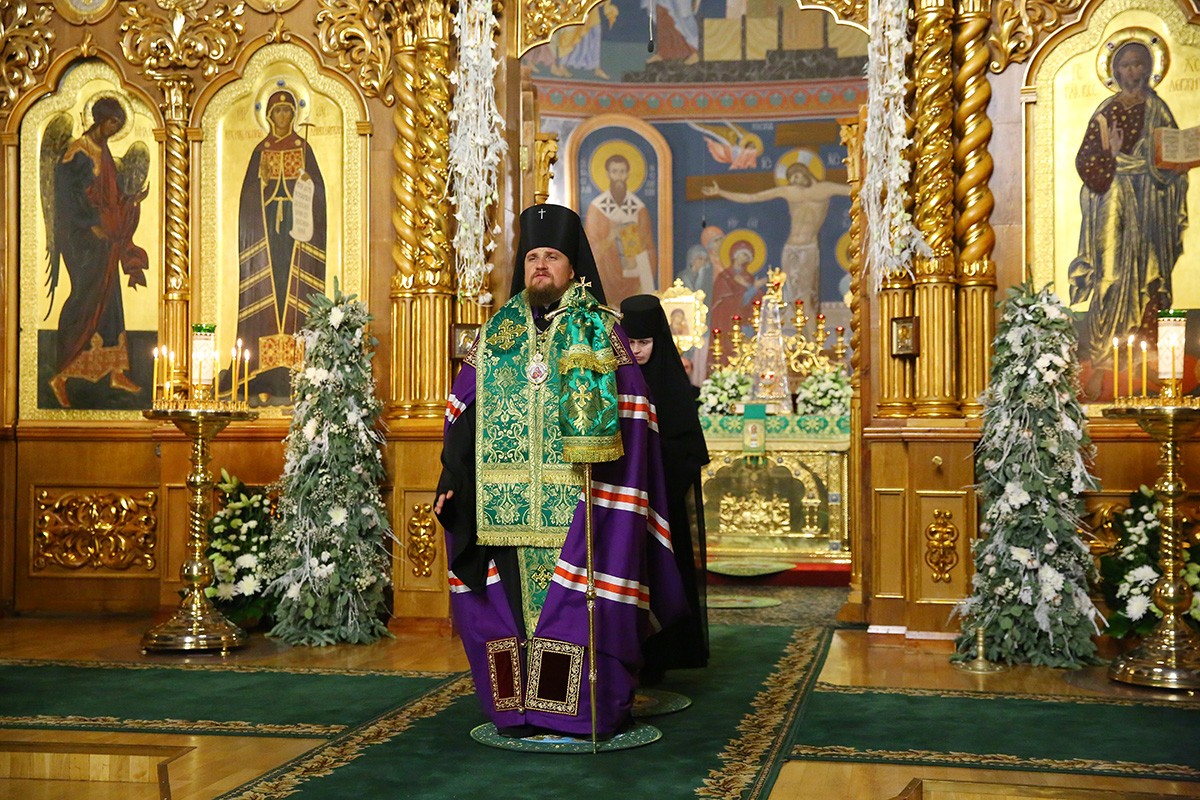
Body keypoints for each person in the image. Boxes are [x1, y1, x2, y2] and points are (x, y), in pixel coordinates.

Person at [435, 203, 687, 740]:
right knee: (508, 613)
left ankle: (571, 713)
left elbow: (637, 412)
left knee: (576, 613)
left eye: (552, 256)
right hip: (502, 511)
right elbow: (462, 412)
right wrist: (451, 478)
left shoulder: (601, 329)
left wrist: (617, 480)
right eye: (532, 257)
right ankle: (517, 712)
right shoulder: (496, 333)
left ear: (573, 267)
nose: (541, 266)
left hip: (581, 505)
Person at [1069, 39, 1189, 365]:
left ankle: (1146, 354)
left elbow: (1172, 156)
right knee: (1110, 271)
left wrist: (1174, 165)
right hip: (1114, 197)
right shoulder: (1106, 112)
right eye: (1126, 65)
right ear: (1116, 71)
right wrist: (1111, 156)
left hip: (1151, 202)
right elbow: (1085, 162)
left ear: (1148, 69)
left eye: (1138, 64)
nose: (1133, 71)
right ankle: (1103, 351)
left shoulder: (1158, 109)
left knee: (1149, 272)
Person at [620, 294, 710, 684]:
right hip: (624, 503)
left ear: (658, 340)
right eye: (630, 342)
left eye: (644, 342)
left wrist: (656, 475)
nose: (637, 350)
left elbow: (688, 448)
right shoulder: (616, 378)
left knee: (663, 575)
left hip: (664, 506)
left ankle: (665, 655)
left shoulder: (672, 383)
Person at [46, 96, 149, 408]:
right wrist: (91, 225)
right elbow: (66, 199)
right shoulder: (75, 153)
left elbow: (112, 196)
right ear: (100, 120)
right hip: (80, 240)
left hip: (104, 241)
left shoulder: (103, 154)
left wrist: (131, 200)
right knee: (84, 298)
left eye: (118, 125)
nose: (114, 129)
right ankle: (61, 375)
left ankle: (116, 371)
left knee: (111, 298)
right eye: (112, 123)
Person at [235, 88, 327, 402]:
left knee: (293, 288)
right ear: (269, 116)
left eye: (288, 111)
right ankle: (259, 373)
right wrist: (260, 184)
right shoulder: (260, 151)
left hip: (296, 234)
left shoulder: (304, 149)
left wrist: (306, 185)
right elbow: (246, 201)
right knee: (267, 287)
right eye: (277, 111)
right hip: (266, 236)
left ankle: (301, 370)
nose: (283, 116)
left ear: (294, 115)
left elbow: (319, 196)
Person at [703, 162, 850, 327]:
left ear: (805, 173)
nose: (795, 181)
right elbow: (753, 197)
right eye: (792, 179)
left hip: (808, 248)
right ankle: (799, 333)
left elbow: (854, 190)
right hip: (790, 247)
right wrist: (720, 192)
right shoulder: (789, 191)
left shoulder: (825, 188)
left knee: (805, 293)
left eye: (797, 176)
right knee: (790, 294)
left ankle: (811, 336)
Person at [585, 153, 657, 304]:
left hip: (633, 279)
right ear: (608, 174)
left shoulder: (638, 208)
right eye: (615, 172)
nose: (619, 177)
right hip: (606, 278)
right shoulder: (597, 208)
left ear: (628, 174)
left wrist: (638, 256)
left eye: (622, 172)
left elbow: (648, 247)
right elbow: (590, 250)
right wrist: (610, 236)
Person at [709, 238, 767, 333]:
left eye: (748, 257)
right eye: (744, 255)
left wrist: (756, 289)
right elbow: (725, 303)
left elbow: (757, 300)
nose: (746, 258)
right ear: (735, 254)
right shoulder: (724, 277)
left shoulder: (749, 278)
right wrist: (754, 288)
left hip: (747, 322)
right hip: (728, 323)